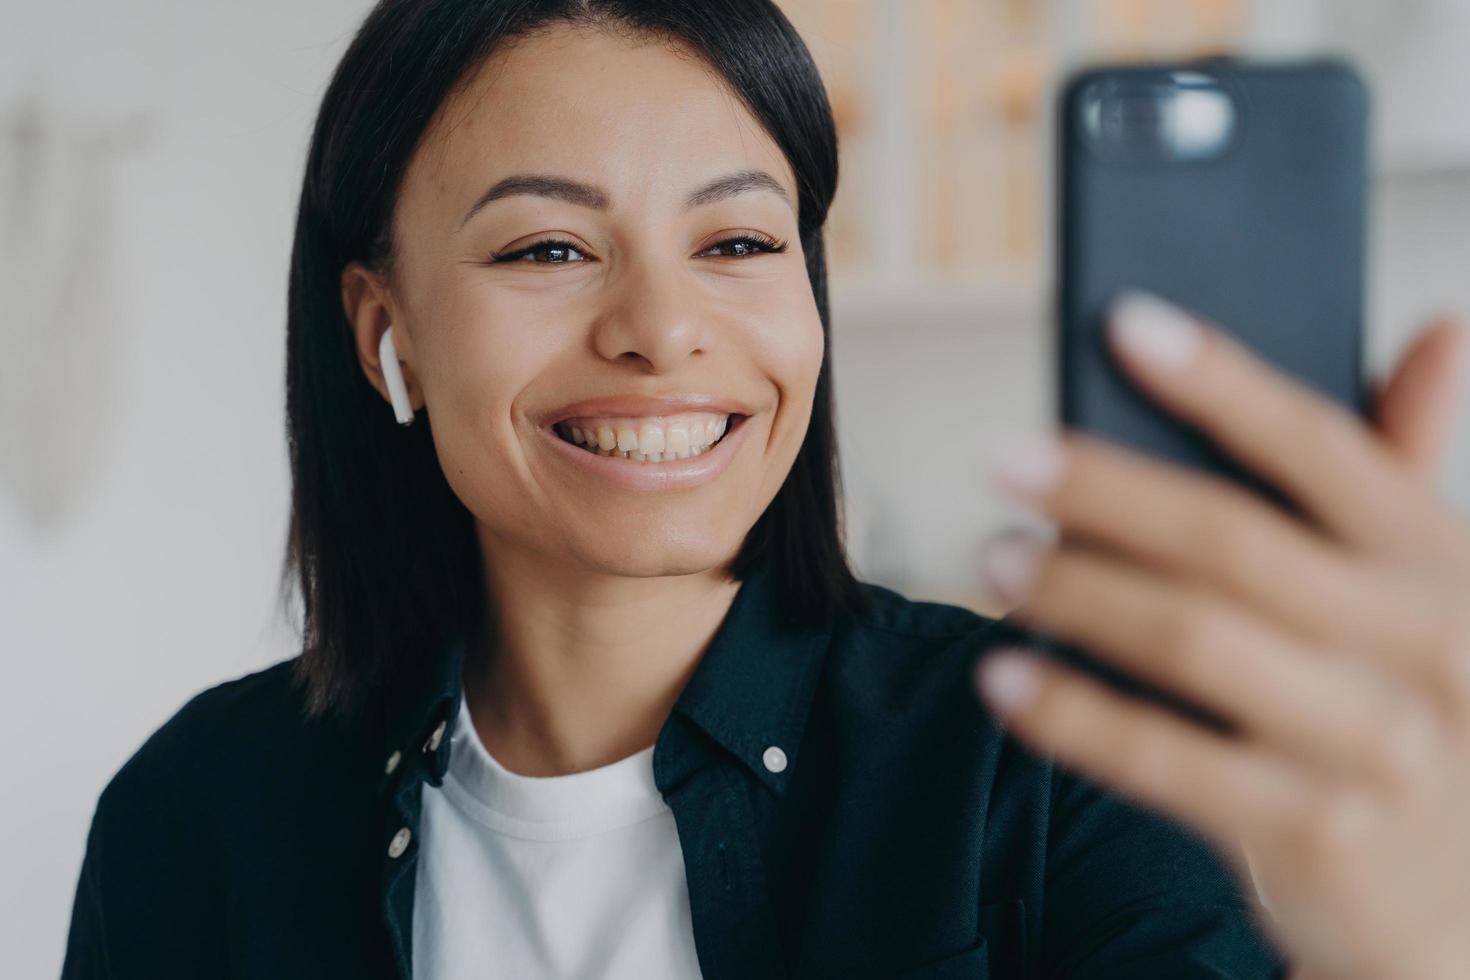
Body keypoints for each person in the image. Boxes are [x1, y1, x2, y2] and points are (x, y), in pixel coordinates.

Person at [59, 1, 1470, 978]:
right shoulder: (196, 819)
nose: (661, 330)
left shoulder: (1044, 760)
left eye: (738, 240)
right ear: (385, 329)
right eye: (548, 249)